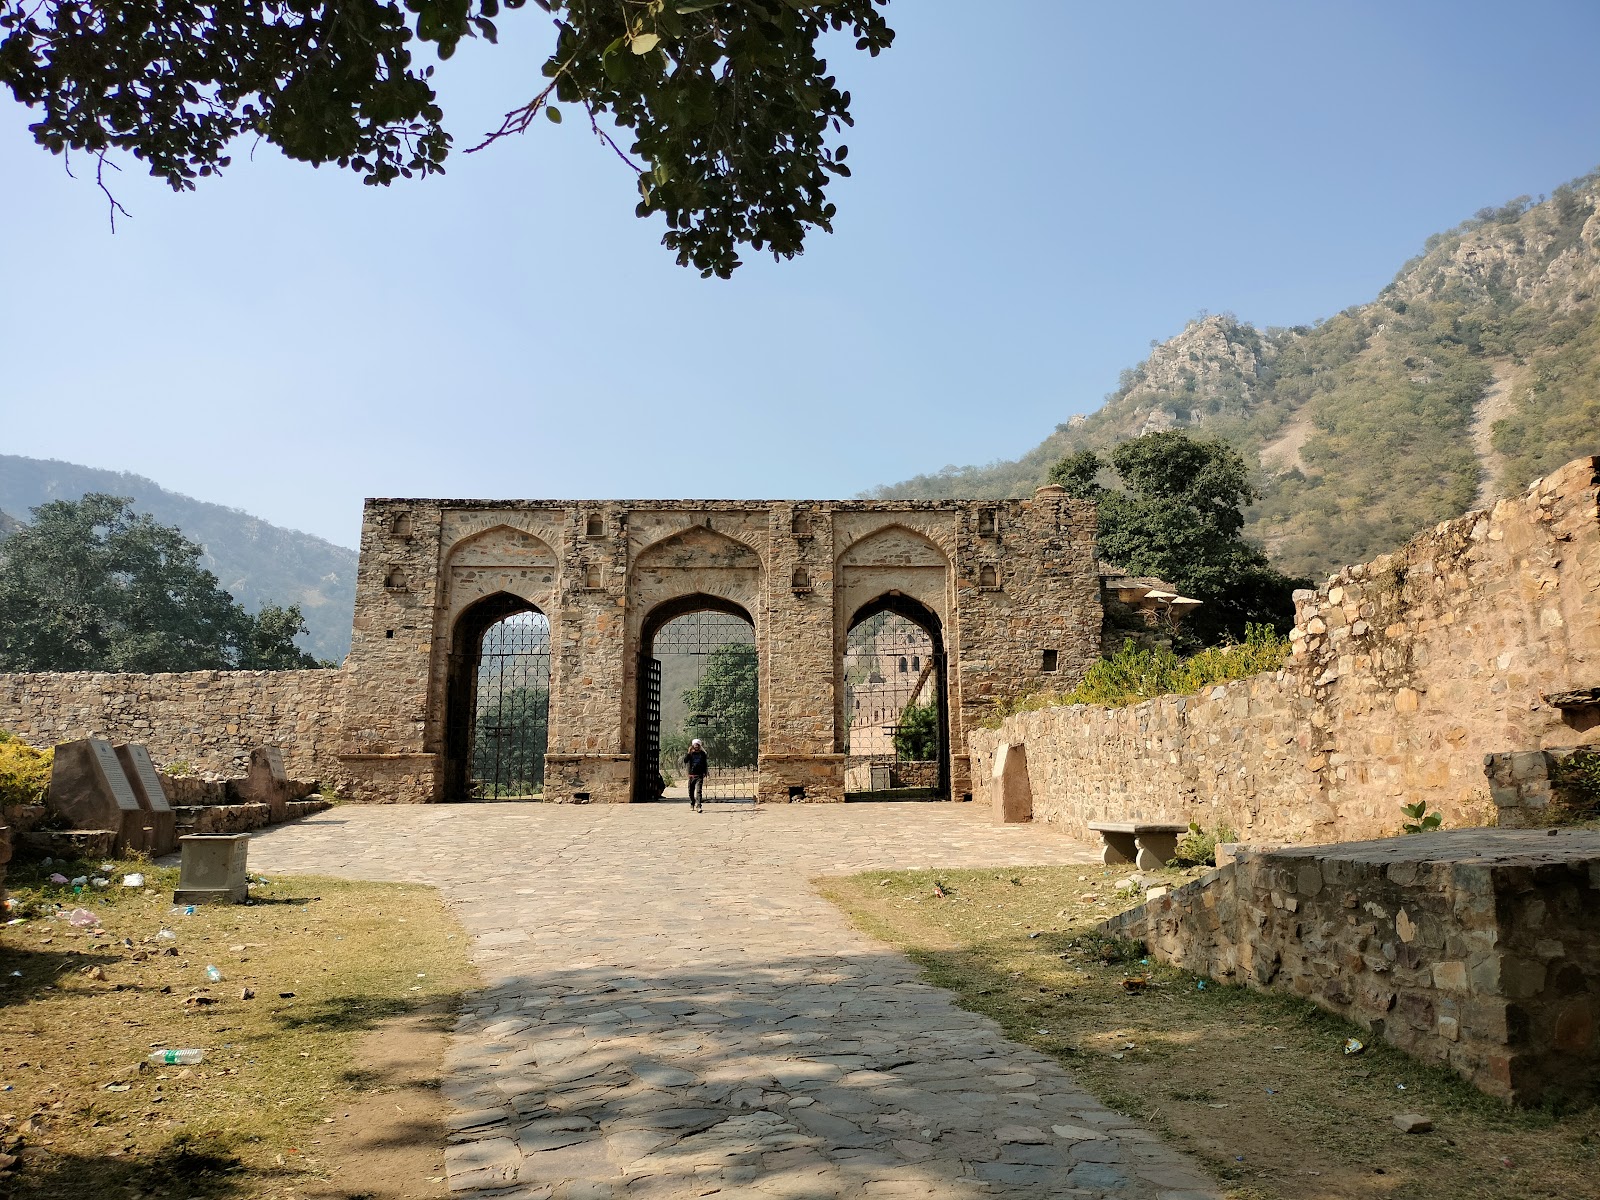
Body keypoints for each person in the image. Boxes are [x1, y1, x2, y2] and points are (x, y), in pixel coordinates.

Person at [683, 738, 709, 811]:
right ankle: (692, 803)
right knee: (691, 791)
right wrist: (688, 753)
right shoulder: (690, 754)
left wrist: (705, 772)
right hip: (691, 775)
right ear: (693, 746)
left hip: (699, 775)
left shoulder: (703, 754)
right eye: (695, 745)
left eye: (697, 745)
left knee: (698, 791)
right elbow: (685, 761)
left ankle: (699, 806)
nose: (696, 746)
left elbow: (704, 764)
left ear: (699, 746)